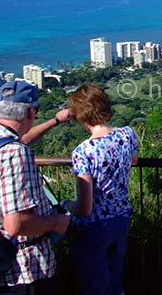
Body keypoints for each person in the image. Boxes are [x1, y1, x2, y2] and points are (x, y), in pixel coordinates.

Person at [0, 80, 72, 294]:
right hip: (24, 271)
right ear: (30, 112)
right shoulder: (15, 154)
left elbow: (21, 139)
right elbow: (16, 224)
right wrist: (56, 222)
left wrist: (54, 121)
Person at [60, 84, 139, 295]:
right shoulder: (127, 135)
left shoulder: (83, 152)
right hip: (121, 216)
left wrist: (66, 205)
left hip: (94, 225)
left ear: (81, 116)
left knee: (94, 284)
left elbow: (85, 207)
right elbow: (134, 160)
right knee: (115, 278)